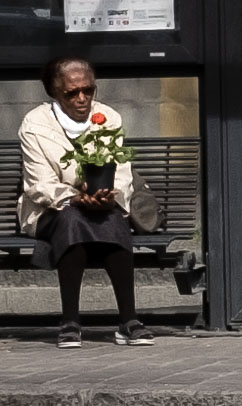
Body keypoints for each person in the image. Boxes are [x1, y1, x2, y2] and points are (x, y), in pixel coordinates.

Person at [18, 55, 154, 349]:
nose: (82, 98)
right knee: (72, 217)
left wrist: (107, 196)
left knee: (114, 219)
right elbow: (38, 184)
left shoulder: (108, 117)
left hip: (101, 205)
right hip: (49, 210)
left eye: (88, 90)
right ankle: (70, 321)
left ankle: (128, 321)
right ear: (54, 92)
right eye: (72, 93)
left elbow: (121, 172)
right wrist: (76, 197)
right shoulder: (35, 124)